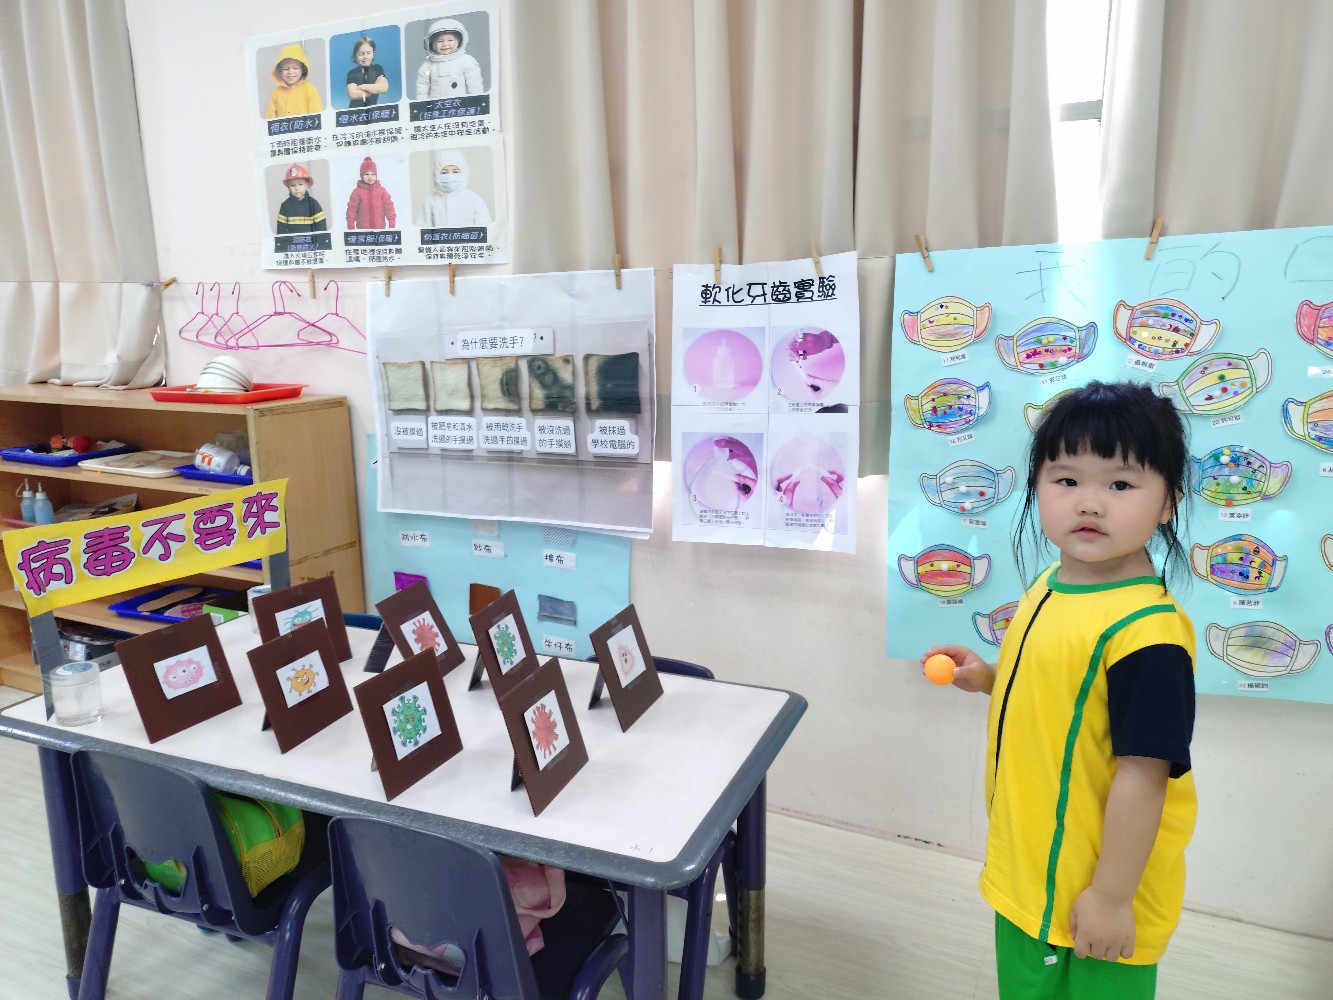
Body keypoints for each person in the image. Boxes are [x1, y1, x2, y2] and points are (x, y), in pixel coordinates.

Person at [923, 380, 1196, 1000]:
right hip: (1027, 872)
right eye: (1067, 480)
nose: (1089, 503)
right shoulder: (1049, 585)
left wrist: (1111, 897)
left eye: (1120, 485)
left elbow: (1145, 776)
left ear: (1168, 503)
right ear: (1037, 487)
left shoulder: (1148, 634)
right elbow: (1061, 694)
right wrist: (990, 679)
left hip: (1095, 897)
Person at [415, 149, 490, 228]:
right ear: (436, 174)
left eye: (455, 172)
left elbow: (485, 228)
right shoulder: (431, 202)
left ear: (464, 173)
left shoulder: (475, 201)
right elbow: (422, 229)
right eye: (444, 172)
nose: (450, 176)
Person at [415, 18, 483, 99]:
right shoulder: (428, 65)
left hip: (459, 103)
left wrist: (477, 100)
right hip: (435, 104)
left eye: (450, 40)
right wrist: (422, 103)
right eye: (440, 41)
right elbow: (422, 85)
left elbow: (475, 84)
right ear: (432, 44)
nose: (445, 44)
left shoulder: (466, 61)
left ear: (458, 41)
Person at [266, 43, 323, 119]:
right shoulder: (276, 93)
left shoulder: (310, 90)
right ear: (280, 71)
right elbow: (270, 118)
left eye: (295, 68)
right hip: (283, 126)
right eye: (286, 69)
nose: (290, 72)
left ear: (302, 69)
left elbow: (317, 117)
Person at [345, 156, 397, 230]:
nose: (370, 177)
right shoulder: (357, 192)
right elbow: (352, 208)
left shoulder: (382, 191)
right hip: (363, 229)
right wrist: (350, 222)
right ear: (362, 175)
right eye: (367, 174)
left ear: (376, 175)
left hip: (379, 229)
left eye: (372, 174)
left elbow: (389, 207)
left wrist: (392, 220)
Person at [275, 163, 327, 233]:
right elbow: (280, 230)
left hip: (311, 239)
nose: (297, 188)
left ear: (307, 185)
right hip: (292, 240)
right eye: (292, 185)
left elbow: (322, 228)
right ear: (288, 187)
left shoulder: (313, 204)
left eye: (300, 184)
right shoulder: (285, 206)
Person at [345, 36, 388, 107]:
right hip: (355, 110)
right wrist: (374, 88)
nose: (365, 57)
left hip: (371, 109)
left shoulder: (377, 69)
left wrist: (362, 87)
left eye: (368, 53)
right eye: (361, 54)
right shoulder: (352, 73)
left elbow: (384, 88)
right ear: (355, 56)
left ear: (373, 54)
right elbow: (353, 95)